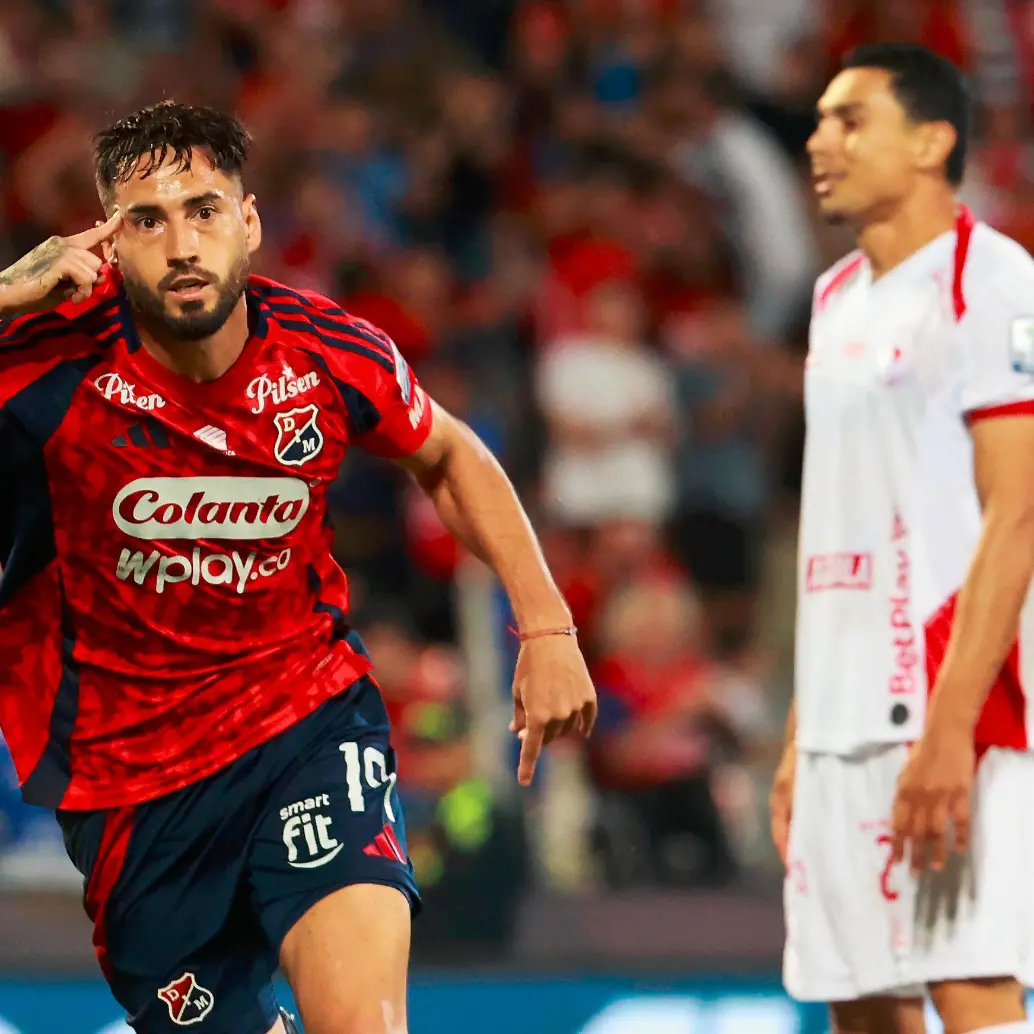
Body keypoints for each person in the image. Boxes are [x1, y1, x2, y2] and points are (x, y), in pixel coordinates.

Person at [0, 101, 597, 1034]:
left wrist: (547, 625)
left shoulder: (323, 349)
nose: (182, 245)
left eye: (204, 210)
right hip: (128, 782)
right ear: (106, 247)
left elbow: (446, 453)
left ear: (249, 222)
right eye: (146, 221)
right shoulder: (39, 363)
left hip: (303, 720)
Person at [769, 43, 1034, 1034]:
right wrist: (801, 736)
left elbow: (1017, 514)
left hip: (948, 710)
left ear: (930, 142)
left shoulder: (991, 281)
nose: (818, 141)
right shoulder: (833, 296)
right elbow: (838, 523)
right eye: (817, 121)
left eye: (849, 120)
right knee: (862, 1003)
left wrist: (951, 727)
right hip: (838, 722)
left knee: (970, 985)